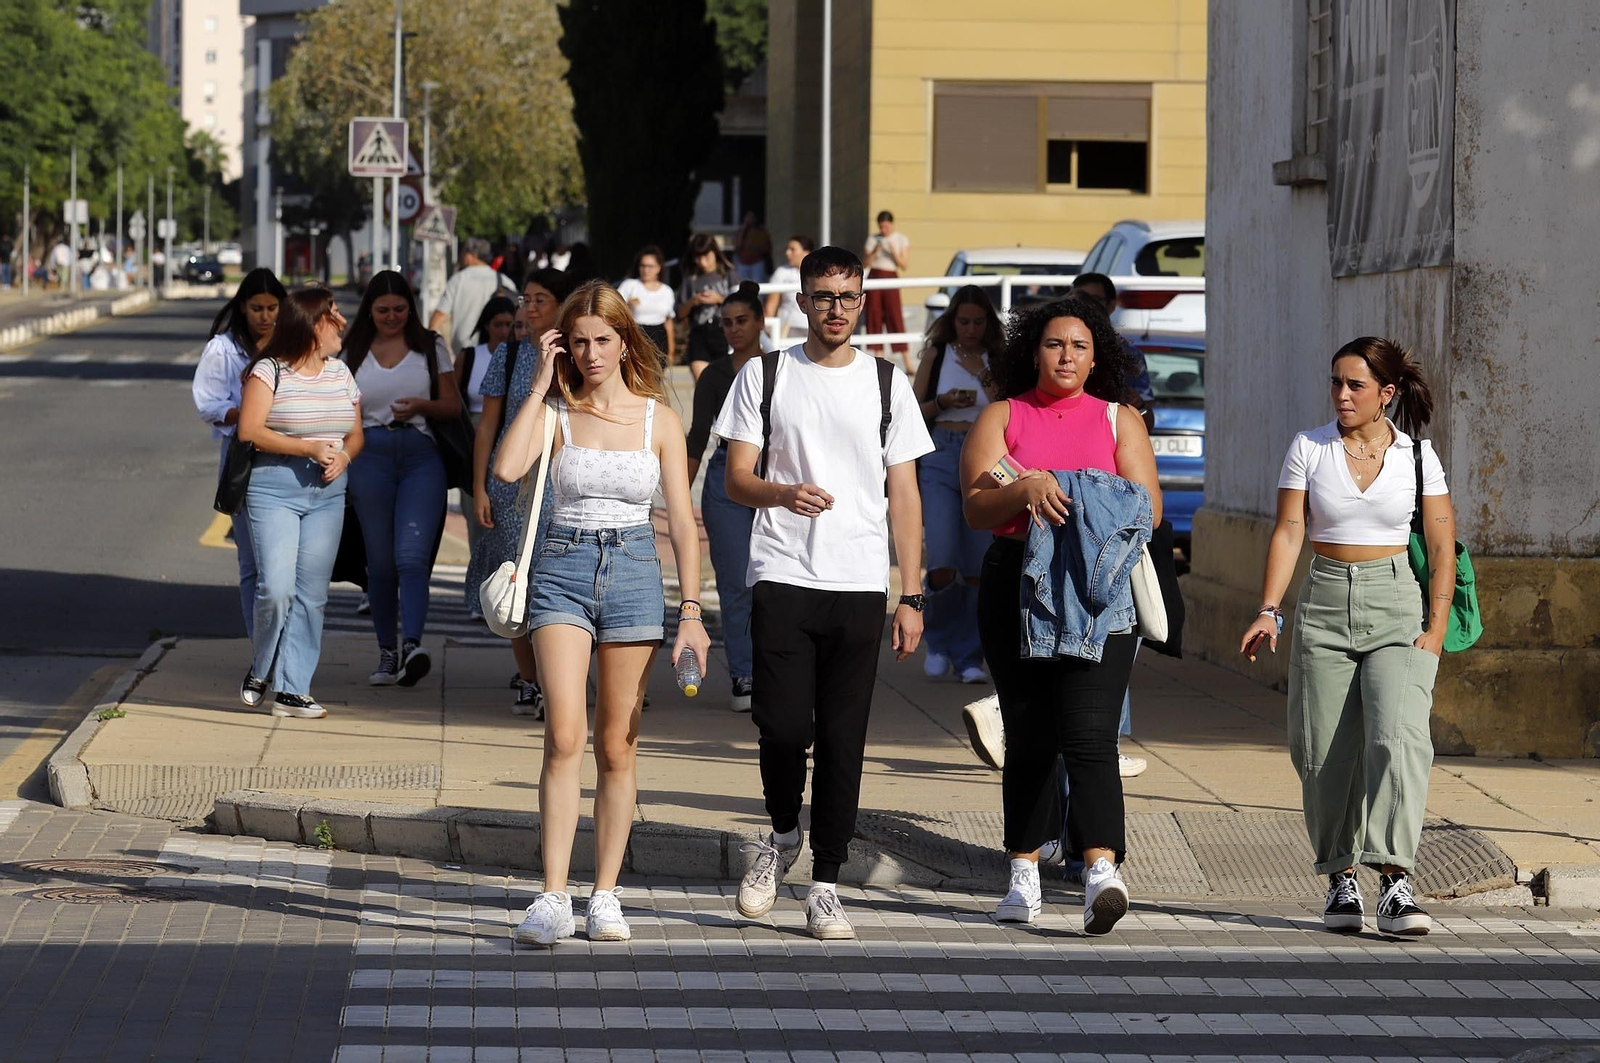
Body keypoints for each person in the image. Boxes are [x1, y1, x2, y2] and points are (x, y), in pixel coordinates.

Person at [715, 246, 933, 940]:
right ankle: (781, 834)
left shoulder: (887, 383)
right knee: (781, 726)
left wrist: (912, 592)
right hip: (783, 572)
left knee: (844, 739)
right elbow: (734, 479)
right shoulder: (767, 375)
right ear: (802, 301)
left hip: (860, 583)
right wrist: (783, 492)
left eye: (847, 295)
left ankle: (827, 882)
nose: (835, 307)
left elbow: (905, 492)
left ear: (862, 300)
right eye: (822, 295)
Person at [492, 281, 708, 947]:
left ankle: (605, 894)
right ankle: (552, 894)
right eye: (578, 341)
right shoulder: (555, 410)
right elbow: (506, 468)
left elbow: (681, 523)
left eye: (601, 340)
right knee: (564, 736)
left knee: (618, 743)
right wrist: (537, 387)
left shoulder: (657, 419)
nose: (590, 353)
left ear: (624, 342)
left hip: (637, 572)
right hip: (561, 567)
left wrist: (693, 612)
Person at [1239, 337, 1453, 937]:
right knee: (1322, 749)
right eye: (1335, 382)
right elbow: (1288, 531)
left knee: (1398, 739)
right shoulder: (1310, 447)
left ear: (1386, 393)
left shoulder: (1419, 456)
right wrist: (1268, 609)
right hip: (1325, 600)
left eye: (1355, 385)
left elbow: (1440, 546)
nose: (1341, 395)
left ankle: (1395, 882)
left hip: (1397, 603)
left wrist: (1435, 627)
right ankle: (1340, 876)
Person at [960, 294, 1160, 935]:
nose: (1066, 355)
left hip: (1099, 590)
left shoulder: (1118, 420)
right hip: (1014, 583)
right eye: (1053, 344)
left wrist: (1071, 488)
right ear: (1033, 352)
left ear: (1096, 355)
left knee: (1092, 733)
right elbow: (975, 505)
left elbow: (1148, 510)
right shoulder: (1003, 414)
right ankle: (1023, 871)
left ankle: (1101, 868)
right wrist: (1025, 488)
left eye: (1078, 345)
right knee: (1028, 733)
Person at [236, 287, 361, 720]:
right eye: (334, 314)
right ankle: (263, 665)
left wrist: (344, 455)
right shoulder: (269, 372)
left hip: (328, 494)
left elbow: (356, 433)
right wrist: (307, 448)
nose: (342, 322)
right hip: (274, 488)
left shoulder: (342, 373)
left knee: (312, 595)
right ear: (312, 325)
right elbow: (249, 431)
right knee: (275, 587)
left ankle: (293, 690)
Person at [341, 270, 461, 687]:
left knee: (412, 556)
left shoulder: (430, 346)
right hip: (368, 456)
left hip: (420, 456)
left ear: (410, 308)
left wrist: (421, 406)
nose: (391, 317)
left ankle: (412, 644)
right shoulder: (351, 350)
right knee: (380, 562)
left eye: (399, 309)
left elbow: (452, 406)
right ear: (369, 311)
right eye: (382, 310)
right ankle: (386, 653)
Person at [470, 268, 578, 716]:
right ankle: (531, 678)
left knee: (560, 584)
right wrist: (479, 486)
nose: (530, 307)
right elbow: (488, 425)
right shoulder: (510, 355)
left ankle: (563, 678)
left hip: (566, 485)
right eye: (525, 299)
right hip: (513, 483)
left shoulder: (580, 352)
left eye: (540, 299)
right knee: (514, 583)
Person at [911, 285, 1004, 687]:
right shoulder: (937, 354)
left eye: (978, 322)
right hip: (940, 452)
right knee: (943, 559)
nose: (969, 329)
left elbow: (1008, 408)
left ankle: (969, 656)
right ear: (953, 321)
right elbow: (914, 410)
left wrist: (984, 376)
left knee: (978, 566)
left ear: (988, 324)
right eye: (963, 321)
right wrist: (943, 401)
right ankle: (938, 642)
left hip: (983, 459)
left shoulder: (996, 359)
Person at [192, 267, 289, 637]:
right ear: (242, 308)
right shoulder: (223, 348)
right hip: (243, 457)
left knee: (283, 564)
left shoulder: (294, 345)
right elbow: (208, 404)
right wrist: (247, 413)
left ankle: (284, 642)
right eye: (257, 308)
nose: (266, 317)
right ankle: (258, 645)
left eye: (272, 307)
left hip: (289, 454)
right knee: (252, 562)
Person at [684, 281, 765, 713]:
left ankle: (778, 673)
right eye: (726, 323)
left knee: (778, 586)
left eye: (741, 321)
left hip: (778, 483)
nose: (733, 330)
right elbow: (697, 438)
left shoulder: (782, 367)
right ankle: (744, 674)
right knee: (736, 586)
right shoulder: (715, 374)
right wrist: (678, 497)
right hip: (725, 481)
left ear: (760, 322)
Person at [454, 294, 517, 611]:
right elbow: (453, 401)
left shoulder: (518, 356)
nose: (505, 330)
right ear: (487, 326)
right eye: (499, 324)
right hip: (475, 443)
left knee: (506, 525)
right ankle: (481, 593)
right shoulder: (471, 356)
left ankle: (503, 592)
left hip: (509, 440)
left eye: (511, 324)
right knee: (477, 522)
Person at [428, 237, 516, 358]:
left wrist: (430, 350)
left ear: (472, 255)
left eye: (463, 252)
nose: (461, 256)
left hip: (464, 354)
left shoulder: (458, 280)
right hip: (498, 353)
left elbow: (439, 316)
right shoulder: (504, 281)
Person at [677, 233, 741, 382]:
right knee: (702, 383)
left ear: (715, 253)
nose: (703, 262)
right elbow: (680, 313)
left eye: (706, 256)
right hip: (699, 333)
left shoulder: (729, 275)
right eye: (698, 257)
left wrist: (720, 299)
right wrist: (694, 301)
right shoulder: (690, 279)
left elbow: (742, 305)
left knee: (725, 383)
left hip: (724, 332)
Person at [863, 210, 912, 373]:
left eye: (886, 226)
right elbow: (866, 263)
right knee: (874, 315)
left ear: (892, 224)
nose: (884, 230)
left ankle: (908, 362)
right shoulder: (872, 239)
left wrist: (892, 249)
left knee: (894, 316)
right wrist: (876, 249)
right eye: (881, 227)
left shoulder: (900, 239)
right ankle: (879, 359)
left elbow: (904, 265)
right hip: (875, 276)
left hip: (891, 275)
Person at [617, 246, 676, 365]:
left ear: (659, 268)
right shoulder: (630, 285)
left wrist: (671, 351)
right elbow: (613, 308)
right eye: (643, 266)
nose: (646, 270)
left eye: (650, 266)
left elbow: (669, 323)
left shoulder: (666, 291)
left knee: (655, 378)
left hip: (659, 337)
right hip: (636, 334)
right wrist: (627, 305)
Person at [764, 234, 814, 341]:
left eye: (792, 249)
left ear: (806, 252)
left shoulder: (818, 273)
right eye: (787, 249)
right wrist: (768, 330)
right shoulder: (782, 272)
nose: (787, 253)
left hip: (813, 326)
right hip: (788, 328)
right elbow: (771, 304)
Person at [734, 211, 773, 285]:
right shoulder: (741, 231)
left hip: (757, 263)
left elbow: (767, 248)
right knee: (741, 285)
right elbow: (737, 246)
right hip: (743, 263)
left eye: (752, 217)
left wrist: (755, 249)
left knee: (758, 285)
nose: (749, 219)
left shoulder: (762, 232)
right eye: (748, 217)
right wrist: (744, 228)